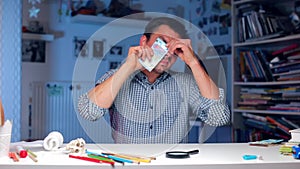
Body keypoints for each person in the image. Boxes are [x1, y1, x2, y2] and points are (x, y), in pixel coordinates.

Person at [77, 17, 230, 144]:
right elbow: (88, 112)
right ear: (144, 42)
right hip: (129, 164)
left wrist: (193, 62)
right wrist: (128, 67)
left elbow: (218, 117)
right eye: (161, 43)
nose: (168, 53)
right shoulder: (115, 77)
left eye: (174, 48)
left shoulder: (186, 83)